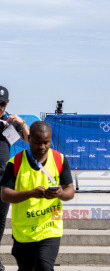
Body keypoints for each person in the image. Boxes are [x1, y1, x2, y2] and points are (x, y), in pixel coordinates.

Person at [0, 121, 74, 271]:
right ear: (29, 140)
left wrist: (60, 193)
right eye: (37, 143)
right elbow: (5, 195)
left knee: (44, 266)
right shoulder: (15, 163)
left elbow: (70, 191)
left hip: (50, 228)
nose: (42, 147)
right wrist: (31, 193)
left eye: (46, 142)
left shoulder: (60, 159)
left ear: (51, 140)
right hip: (24, 232)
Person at [0, 86, 29, 271]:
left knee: (0, 220)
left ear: (7, 103)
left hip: (3, 178)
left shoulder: (9, 123)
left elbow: (29, 139)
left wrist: (22, 122)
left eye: (2, 104)